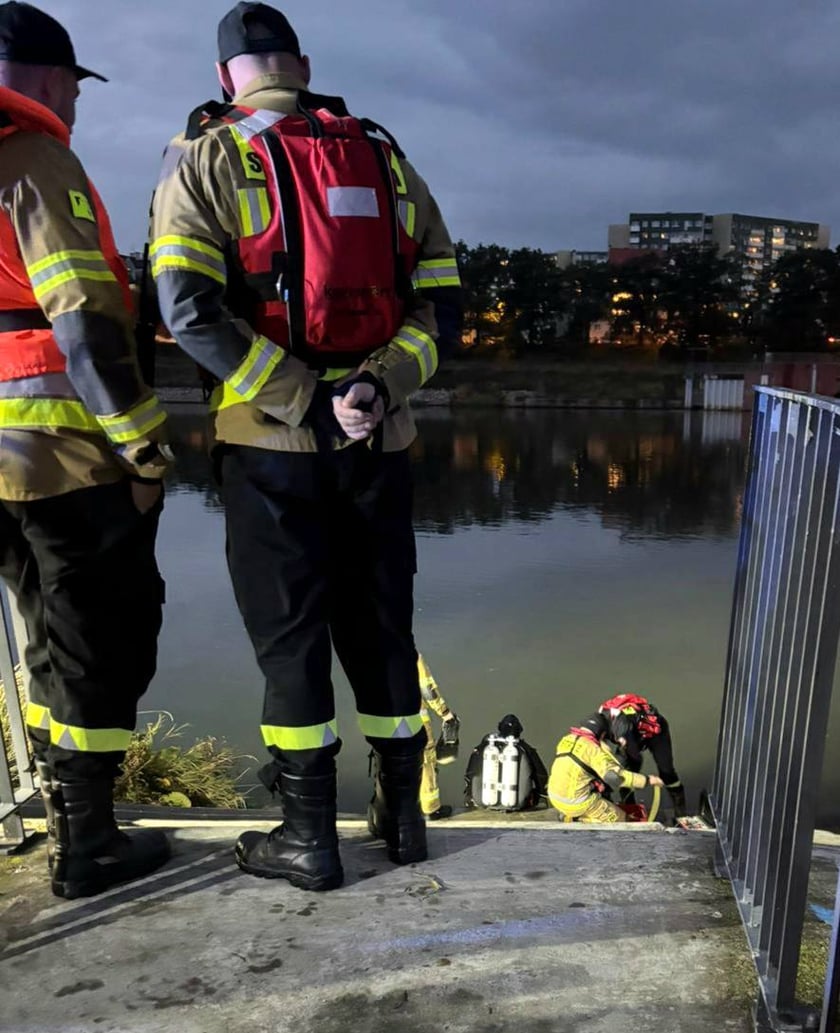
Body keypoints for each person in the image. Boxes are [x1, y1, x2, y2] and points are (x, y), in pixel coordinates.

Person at [150, 3, 461, 891]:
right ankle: (404, 823)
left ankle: (308, 838)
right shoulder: (384, 156)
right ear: (303, 63)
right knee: (383, 627)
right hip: (381, 436)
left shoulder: (204, 158)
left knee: (291, 640)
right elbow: (440, 301)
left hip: (270, 444)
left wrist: (305, 400)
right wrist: (374, 387)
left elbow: (187, 311)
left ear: (226, 79)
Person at [0, 2, 171, 899]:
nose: (78, 96)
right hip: (58, 455)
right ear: (46, 79)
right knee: (102, 634)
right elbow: (86, 324)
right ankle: (90, 840)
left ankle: (65, 813)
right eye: (73, 80)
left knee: (42, 630)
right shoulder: (35, 160)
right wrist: (146, 451)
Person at [548, 713, 664, 823]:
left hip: (554, 796)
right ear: (601, 734)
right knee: (622, 820)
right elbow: (615, 778)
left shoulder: (566, 740)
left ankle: (571, 815)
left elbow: (578, 764)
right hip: (576, 803)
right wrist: (648, 780)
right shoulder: (594, 751)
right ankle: (578, 819)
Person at [598, 693, 686, 817]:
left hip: (655, 734)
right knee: (623, 770)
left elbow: (636, 758)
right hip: (631, 733)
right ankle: (629, 806)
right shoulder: (601, 720)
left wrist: (644, 780)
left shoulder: (623, 730)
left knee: (666, 772)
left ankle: (680, 809)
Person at [464, 714, 548, 811]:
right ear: (520, 730)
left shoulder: (485, 747)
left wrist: (469, 793)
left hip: (485, 801)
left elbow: (471, 772)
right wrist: (541, 796)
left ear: (500, 728)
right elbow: (541, 775)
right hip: (517, 803)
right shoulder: (525, 749)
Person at [416, 653, 459, 820]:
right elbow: (427, 689)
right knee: (426, 763)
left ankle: (396, 808)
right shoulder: (411, 654)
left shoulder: (373, 651)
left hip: (384, 723)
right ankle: (431, 808)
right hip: (415, 722)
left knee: (392, 764)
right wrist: (445, 713)